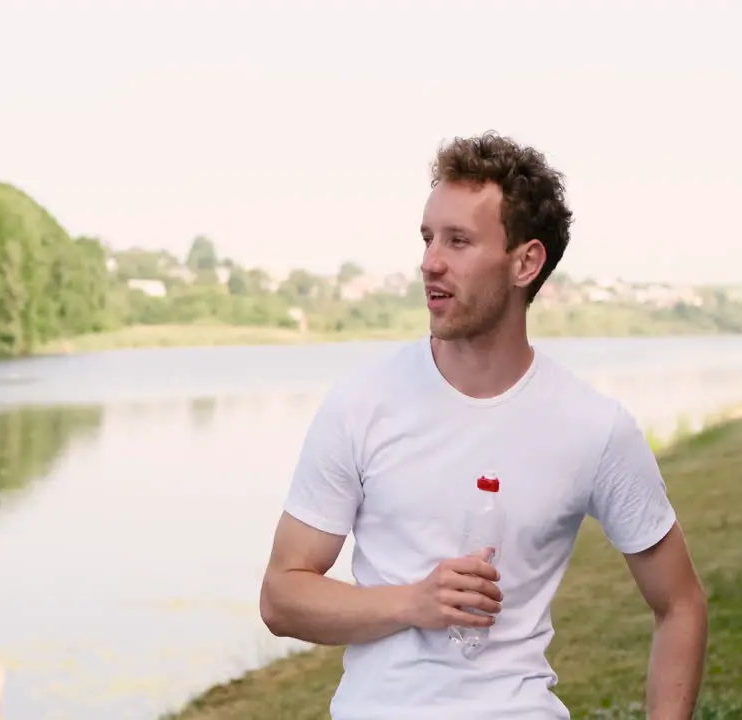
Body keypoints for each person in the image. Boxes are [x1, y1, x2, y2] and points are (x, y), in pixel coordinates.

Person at [258, 131, 709, 719]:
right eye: (427, 238)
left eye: (459, 241)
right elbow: (282, 596)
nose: (430, 262)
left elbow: (680, 604)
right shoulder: (362, 404)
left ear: (525, 262)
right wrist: (414, 603)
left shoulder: (594, 428)